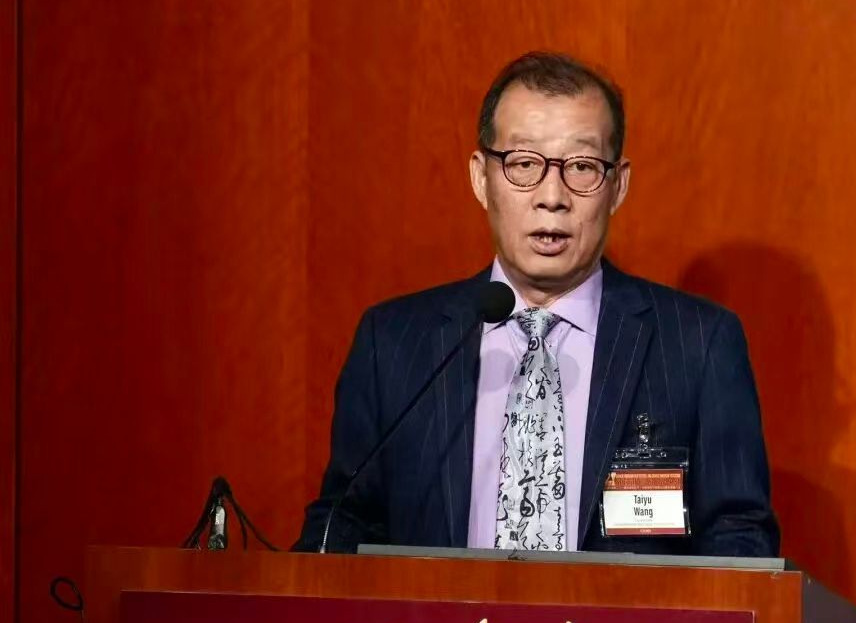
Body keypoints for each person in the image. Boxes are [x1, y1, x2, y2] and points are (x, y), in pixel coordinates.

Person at [295, 52, 779, 557]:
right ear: (481, 178)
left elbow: (739, 542)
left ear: (618, 186)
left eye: (582, 167)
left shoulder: (697, 345)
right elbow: (342, 526)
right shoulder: (394, 345)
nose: (552, 196)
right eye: (524, 164)